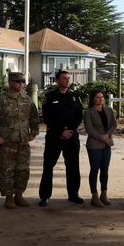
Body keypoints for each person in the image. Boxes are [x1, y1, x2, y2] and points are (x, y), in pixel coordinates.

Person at [0, 71, 40, 209]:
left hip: (23, 142)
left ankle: (19, 195)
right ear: (10, 82)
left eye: (23, 82)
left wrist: (33, 133)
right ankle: (9, 197)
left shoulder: (27, 99)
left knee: (23, 170)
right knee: (6, 170)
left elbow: (34, 116)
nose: (21, 84)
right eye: (18, 81)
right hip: (7, 142)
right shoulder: (0, 100)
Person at [38, 70, 85, 207]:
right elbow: (47, 117)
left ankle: (73, 194)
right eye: (64, 78)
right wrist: (60, 131)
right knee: (48, 166)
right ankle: (45, 196)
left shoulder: (75, 96)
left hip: (71, 136)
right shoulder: (50, 96)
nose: (67, 80)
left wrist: (69, 130)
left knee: (73, 166)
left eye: (68, 78)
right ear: (57, 80)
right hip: (54, 136)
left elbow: (79, 115)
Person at [83, 89, 116, 207]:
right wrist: (102, 137)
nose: (100, 99)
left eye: (102, 97)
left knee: (105, 170)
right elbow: (89, 128)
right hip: (94, 145)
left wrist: (108, 135)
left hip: (107, 144)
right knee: (95, 169)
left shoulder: (109, 110)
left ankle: (104, 193)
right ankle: (94, 195)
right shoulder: (88, 112)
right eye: (97, 97)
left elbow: (113, 124)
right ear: (93, 99)